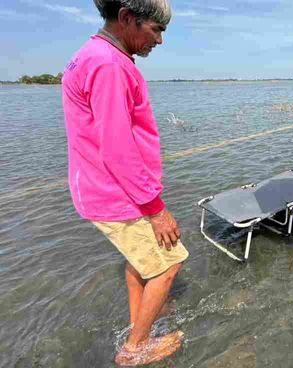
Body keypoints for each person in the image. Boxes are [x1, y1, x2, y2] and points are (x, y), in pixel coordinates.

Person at [62, 0, 188, 365]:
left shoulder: (91, 54)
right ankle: (134, 349)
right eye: (156, 30)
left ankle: (140, 322)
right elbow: (117, 148)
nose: (160, 41)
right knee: (168, 263)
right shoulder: (108, 64)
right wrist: (155, 209)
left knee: (141, 262)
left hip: (101, 187)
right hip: (116, 193)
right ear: (127, 19)